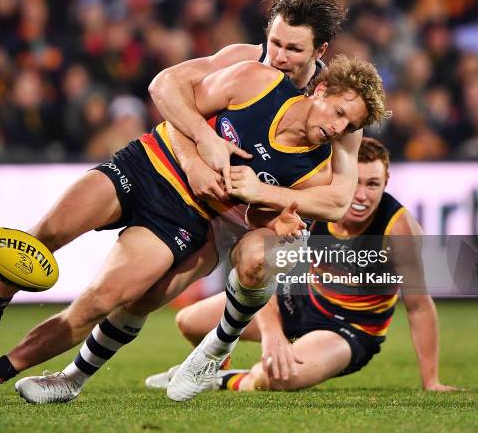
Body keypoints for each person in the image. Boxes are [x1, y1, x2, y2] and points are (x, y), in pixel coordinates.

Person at [0, 51, 385, 406]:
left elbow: (314, 207)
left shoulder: (316, 167)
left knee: (100, 302)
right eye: (339, 112)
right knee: (44, 234)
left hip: (182, 217)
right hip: (146, 163)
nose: (339, 127)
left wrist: (270, 200)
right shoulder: (256, 81)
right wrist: (201, 148)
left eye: (351, 124)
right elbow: (174, 102)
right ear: (320, 89)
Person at [145, 138, 461, 394]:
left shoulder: (399, 228)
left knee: (279, 377)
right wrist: (272, 335)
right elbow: (263, 272)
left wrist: (431, 381)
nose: (361, 196)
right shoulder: (315, 205)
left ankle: (224, 380)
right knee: (189, 321)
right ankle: (209, 370)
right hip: (299, 300)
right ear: (342, 180)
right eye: (356, 183)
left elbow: (419, 307)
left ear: (387, 182)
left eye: (373, 184)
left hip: (348, 328)